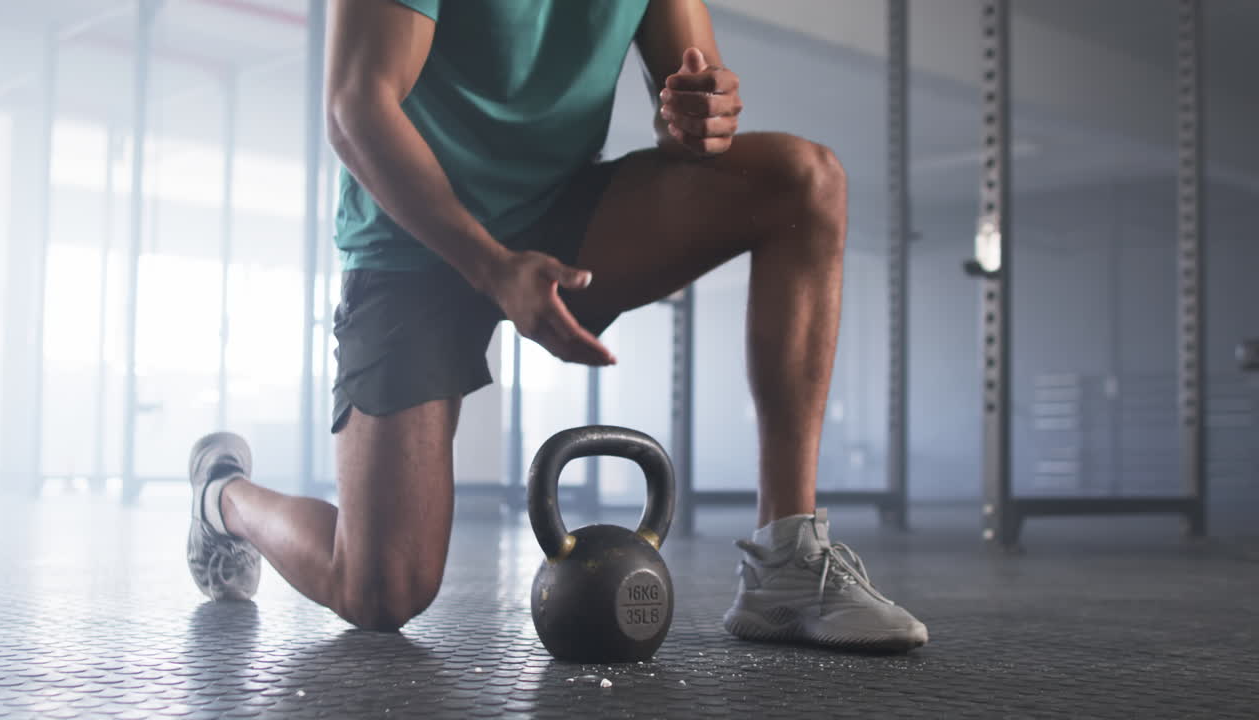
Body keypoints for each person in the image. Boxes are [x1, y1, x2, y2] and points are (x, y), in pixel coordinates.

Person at [186, 0, 927, 652]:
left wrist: (702, 116)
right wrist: (490, 264)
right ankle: (223, 496)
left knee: (805, 180)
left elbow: (696, 115)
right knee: (382, 589)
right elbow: (357, 106)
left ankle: (786, 561)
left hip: (561, 207)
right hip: (409, 242)